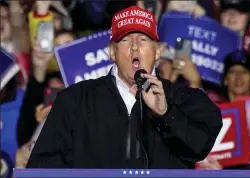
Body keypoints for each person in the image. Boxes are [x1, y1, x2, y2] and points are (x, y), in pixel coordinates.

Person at [27, 6, 222, 169]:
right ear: (112, 52)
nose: (135, 47)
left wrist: (166, 113)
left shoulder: (187, 99)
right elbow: (42, 166)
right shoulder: (75, 99)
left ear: (158, 52)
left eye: (144, 40)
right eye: (126, 40)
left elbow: (199, 147)